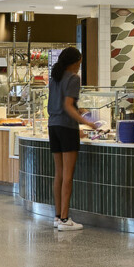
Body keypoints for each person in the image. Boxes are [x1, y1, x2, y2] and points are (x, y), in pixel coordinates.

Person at [47, 46, 95, 231]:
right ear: (74, 62)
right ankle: (66, 220)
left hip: (53, 126)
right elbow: (67, 106)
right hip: (67, 127)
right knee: (68, 175)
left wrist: (79, 110)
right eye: (79, 63)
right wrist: (87, 123)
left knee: (59, 173)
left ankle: (58, 217)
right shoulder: (74, 78)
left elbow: (62, 104)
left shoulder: (55, 78)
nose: (79, 67)